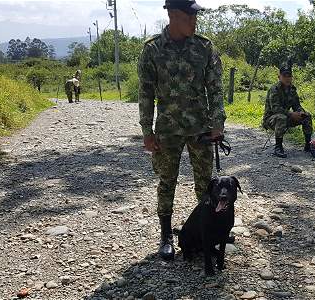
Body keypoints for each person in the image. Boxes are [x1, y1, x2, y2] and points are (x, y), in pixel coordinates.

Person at [137, 0, 226, 260]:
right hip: (168, 128)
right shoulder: (152, 50)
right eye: (190, 16)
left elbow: (216, 88)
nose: (195, 21)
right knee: (167, 181)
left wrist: (218, 121)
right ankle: (165, 235)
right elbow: (146, 93)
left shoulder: (204, 47)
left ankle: (206, 229)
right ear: (173, 14)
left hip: (200, 127)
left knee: (205, 183)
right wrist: (146, 131)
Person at [262, 65, 315, 158]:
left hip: (287, 117)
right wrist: (291, 114)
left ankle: (308, 144)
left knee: (307, 116)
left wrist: (300, 112)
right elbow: (275, 109)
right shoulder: (274, 89)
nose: (287, 78)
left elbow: (297, 105)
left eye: (289, 76)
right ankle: (278, 147)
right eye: (284, 76)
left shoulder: (292, 89)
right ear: (279, 77)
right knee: (281, 117)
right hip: (270, 119)